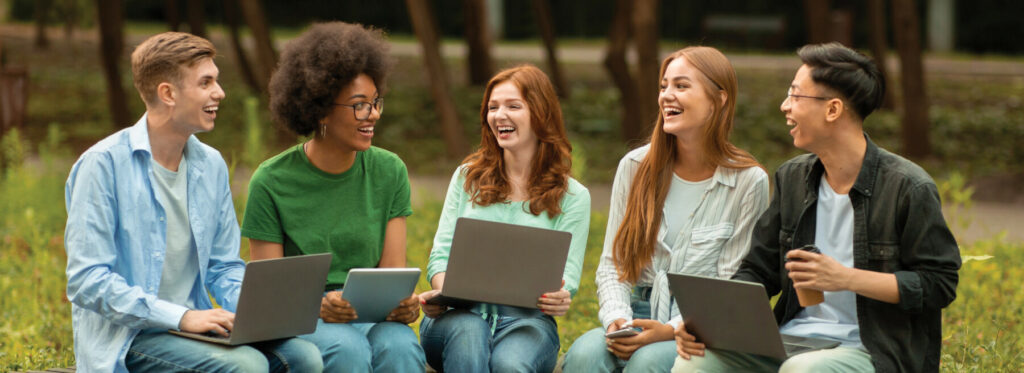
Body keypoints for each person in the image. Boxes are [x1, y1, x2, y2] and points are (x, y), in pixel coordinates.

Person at [673, 42, 962, 373]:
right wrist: (712, 321)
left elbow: (938, 284)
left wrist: (845, 278)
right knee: (695, 363)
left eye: (796, 96)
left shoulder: (908, 187)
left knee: (803, 371)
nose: (785, 106)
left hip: (871, 350)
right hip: (792, 339)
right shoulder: (793, 178)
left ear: (833, 109)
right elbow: (760, 269)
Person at [63, 32, 322, 373]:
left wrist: (259, 313)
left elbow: (223, 265)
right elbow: (87, 280)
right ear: (167, 93)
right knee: (246, 367)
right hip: (128, 339)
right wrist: (182, 317)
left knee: (305, 358)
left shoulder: (210, 164)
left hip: (193, 329)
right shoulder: (103, 165)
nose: (220, 92)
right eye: (206, 82)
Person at [560, 46, 769, 372]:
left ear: (719, 99)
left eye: (681, 86)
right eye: (664, 86)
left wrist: (669, 330)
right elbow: (613, 265)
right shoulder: (634, 166)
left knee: (648, 362)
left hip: (695, 326)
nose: (667, 96)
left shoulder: (748, 182)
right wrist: (618, 319)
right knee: (584, 356)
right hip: (634, 311)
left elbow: (731, 285)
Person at [240, 22, 425, 372]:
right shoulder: (271, 180)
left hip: (370, 313)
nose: (373, 115)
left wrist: (403, 305)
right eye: (359, 105)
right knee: (347, 348)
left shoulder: (389, 171)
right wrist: (321, 306)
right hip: (304, 318)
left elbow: (392, 273)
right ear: (320, 109)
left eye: (375, 103)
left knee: (400, 347)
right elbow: (270, 296)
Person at [417, 64, 591, 372]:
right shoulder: (466, 178)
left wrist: (560, 297)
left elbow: (568, 277)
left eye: (513, 106)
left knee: (509, 365)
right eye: (493, 107)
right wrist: (445, 294)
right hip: (457, 319)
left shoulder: (574, 197)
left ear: (541, 114)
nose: (500, 115)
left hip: (528, 323)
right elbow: (440, 257)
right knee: (470, 333)